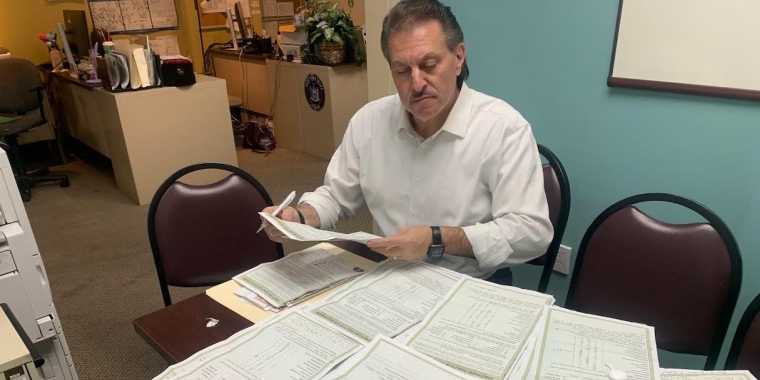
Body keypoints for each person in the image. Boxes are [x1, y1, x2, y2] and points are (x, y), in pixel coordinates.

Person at [262, 0, 552, 285]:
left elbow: (532, 234)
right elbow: (336, 196)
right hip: (391, 274)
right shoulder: (370, 121)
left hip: (471, 280)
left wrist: (436, 239)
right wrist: (300, 217)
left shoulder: (503, 128)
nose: (417, 83)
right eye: (402, 71)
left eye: (429, 64)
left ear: (459, 57)